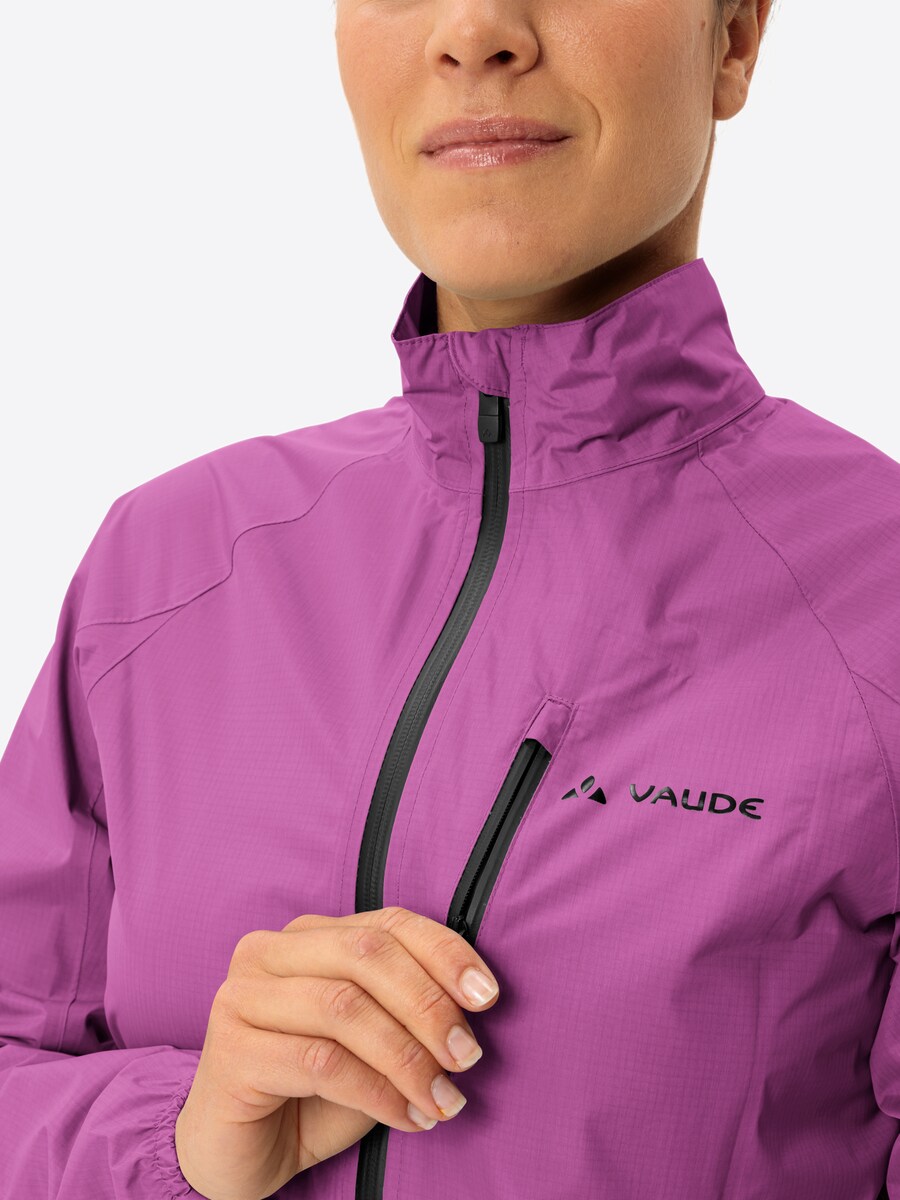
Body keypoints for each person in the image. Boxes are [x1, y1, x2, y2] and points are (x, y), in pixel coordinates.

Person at [2, 0, 898, 1197]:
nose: (475, 29)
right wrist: (174, 1137)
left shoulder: (877, 601)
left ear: (732, 37)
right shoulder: (169, 566)